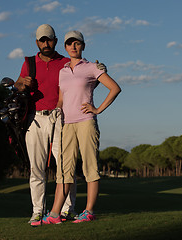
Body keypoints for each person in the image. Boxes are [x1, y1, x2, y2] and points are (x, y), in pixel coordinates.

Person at [14, 24, 106, 224]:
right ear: (37, 42)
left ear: (55, 41)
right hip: (35, 118)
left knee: (66, 167)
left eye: (49, 39)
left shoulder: (66, 62)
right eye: (42, 40)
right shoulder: (29, 62)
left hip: (61, 119)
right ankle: (38, 211)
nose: (46, 43)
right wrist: (22, 84)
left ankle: (67, 210)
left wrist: (100, 71)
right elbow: (18, 84)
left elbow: (86, 81)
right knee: (36, 169)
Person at [31, 30, 121, 226]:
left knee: (90, 167)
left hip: (86, 122)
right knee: (64, 171)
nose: (73, 46)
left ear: (83, 46)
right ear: (64, 47)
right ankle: (55, 213)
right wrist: (57, 112)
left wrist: (97, 109)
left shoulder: (91, 67)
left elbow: (115, 88)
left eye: (77, 43)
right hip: (66, 125)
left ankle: (89, 211)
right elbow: (62, 98)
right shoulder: (63, 71)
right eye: (70, 43)